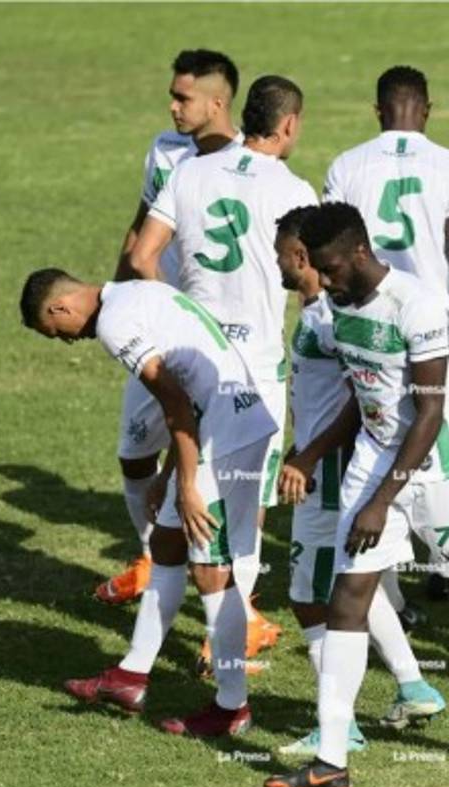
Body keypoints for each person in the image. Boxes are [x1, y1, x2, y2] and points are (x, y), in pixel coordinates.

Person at [264, 204, 449, 787]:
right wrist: (310, 455)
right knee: (348, 597)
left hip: (439, 468)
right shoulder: (337, 304)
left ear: (359, 251)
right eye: (318, 269)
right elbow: (364, 396)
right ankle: (331, 759)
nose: (326, 280)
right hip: (374, 457)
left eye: (332, 267)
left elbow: (431, 411)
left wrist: (381, 501)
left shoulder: (416, 306)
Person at [21, 269, 276, 737]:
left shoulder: (115, 323)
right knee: (167, 545)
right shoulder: (140, 292)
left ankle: (232, 707)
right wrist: (168, 473)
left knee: (211, 572)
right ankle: (131, 677)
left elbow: (177, 403)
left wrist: (187, 483)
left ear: (60, 308)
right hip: (232, 422)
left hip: (227, 437)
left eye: (55, 334)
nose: (65, 342)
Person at [127, 74, 320, 665]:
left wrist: (174, 317)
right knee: (243, 502)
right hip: (254, 367)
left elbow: (140, 255)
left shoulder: (188, 170)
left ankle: (174, 633)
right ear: (288, 125)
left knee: (185, 478)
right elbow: (312, 286)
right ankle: (231, 627)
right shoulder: (295, 190)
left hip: (190, 356)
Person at [272, 206, 446, 758]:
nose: (277, 263)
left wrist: (310, 454)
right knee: (355, 586)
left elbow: (367, 393)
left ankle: (340, 725)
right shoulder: (326, 308)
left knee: (308, 596)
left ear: (302, 255)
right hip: (328, 467)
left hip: (328, 475)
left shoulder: (332, 314)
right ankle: (413, 684)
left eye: (281, 254)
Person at [322, 64, 449, 606]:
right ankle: (446, 558)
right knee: (441, 438)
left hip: (369, 323)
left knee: (376, 431)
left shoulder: (347, 164)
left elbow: (326, 247)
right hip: (438, 322)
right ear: (427, 110)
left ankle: (387, 574)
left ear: (378, 111)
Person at [100, 48, 241, 606]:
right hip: (159, 326)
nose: (173, 105)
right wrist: (114, 302)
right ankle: (151, 555)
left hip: (224, 339)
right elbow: (139, 235)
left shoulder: (245, 162)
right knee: (135, 454)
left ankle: (238, 602)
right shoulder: (163, 150)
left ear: (217, 101)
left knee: (221, 471)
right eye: (173, 94)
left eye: (183, 97)